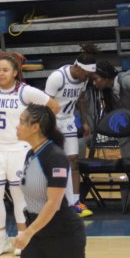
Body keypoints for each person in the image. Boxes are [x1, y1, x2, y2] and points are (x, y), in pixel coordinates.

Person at [11, 104, 128, 258]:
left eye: (21, 121)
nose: (17, 126)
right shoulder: (31, 153)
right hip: (36, 233)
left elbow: (53, 204)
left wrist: (27, 233)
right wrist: (29, 229)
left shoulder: (56, 157)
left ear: (35, 127)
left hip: (62, 233)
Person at [0, 53, 61, 257]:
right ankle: (1, 238)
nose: (0, 73)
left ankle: (22, 236)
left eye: (5, 70)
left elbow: (54, 107)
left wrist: (38, 132)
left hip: (19, 149)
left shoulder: (25, 92)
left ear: (15, 72)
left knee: (19, 194)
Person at [44, 44, 97, 218]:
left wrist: (85, 121)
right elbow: (46, 104)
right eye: (86, 75)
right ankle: (55, 202)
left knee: (73, 160)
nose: (87, 79)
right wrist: (50, 127)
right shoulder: (57, 77)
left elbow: (81, 99)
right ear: (78, 68)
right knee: (56, 163)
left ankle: (75, 202)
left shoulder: (84, 79)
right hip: (53, 122)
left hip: (68, 120)